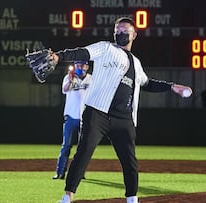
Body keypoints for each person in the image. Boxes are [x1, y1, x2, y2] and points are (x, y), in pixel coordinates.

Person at [49, 17, 192, 203]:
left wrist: (172, 86)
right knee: (83, 153)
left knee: (130, 161)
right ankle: (68, 196)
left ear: (134, 35)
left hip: (123, 119)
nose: (121, 33)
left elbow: (147, 83)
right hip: (97, 113)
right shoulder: (105, 48)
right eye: (118, 30)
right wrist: (59, 56)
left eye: (125, 31)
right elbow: (82, 53)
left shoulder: (136, 63)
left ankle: (132, 198)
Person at [53, 61, 92, 180]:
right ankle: (60, 172)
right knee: (66, 146)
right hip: (71, 116)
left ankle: (79, 173)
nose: (81, 67)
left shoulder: (91, 79)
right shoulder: (69, 77)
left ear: (87, 66)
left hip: (85, 117)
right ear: (75, 66)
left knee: (83, 148)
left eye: (83, 65)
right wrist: (71, 80)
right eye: (78, 65)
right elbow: (65, 89)